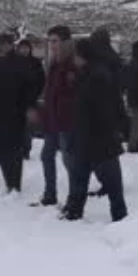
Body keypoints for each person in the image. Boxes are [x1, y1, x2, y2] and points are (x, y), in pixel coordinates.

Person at [62, 37, 128, 222]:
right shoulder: (90, 72)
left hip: (98, 136)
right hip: (90, 135)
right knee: (80, 176)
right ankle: (75, 211)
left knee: (110, 180)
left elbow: (99, 107)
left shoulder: (97, 76)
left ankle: (119, 215)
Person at [0, 33, 38, 193]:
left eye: (4, 44)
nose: (0, 47)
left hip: (16, 111)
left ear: (10, 45)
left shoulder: (20, 63)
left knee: (14, 149)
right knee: (0, 148)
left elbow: (30, 87)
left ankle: (15, 183)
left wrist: (29, 106)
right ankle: (8, 180)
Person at [35, 25, 77, 207]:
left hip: (67, 121)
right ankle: (50, 194)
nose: (52, 45)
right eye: (50, 41)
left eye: (55, 41)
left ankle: (75, 199)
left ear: (65, 42)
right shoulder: (54, 62)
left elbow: (73, 93)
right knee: (46, 156)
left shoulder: (72, 63)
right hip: (52, 120)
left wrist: (61, 107)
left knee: (70, 161)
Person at [17, 39, 44, 160]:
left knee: (27, 127)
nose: (24, 50)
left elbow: (41, 80)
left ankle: (26, 149)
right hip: (15, 100)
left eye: (26, 48)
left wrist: (35, 94)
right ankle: (17, 148)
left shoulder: (35, 63)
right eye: (22, 48)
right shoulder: (13, 62)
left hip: (30, 99)